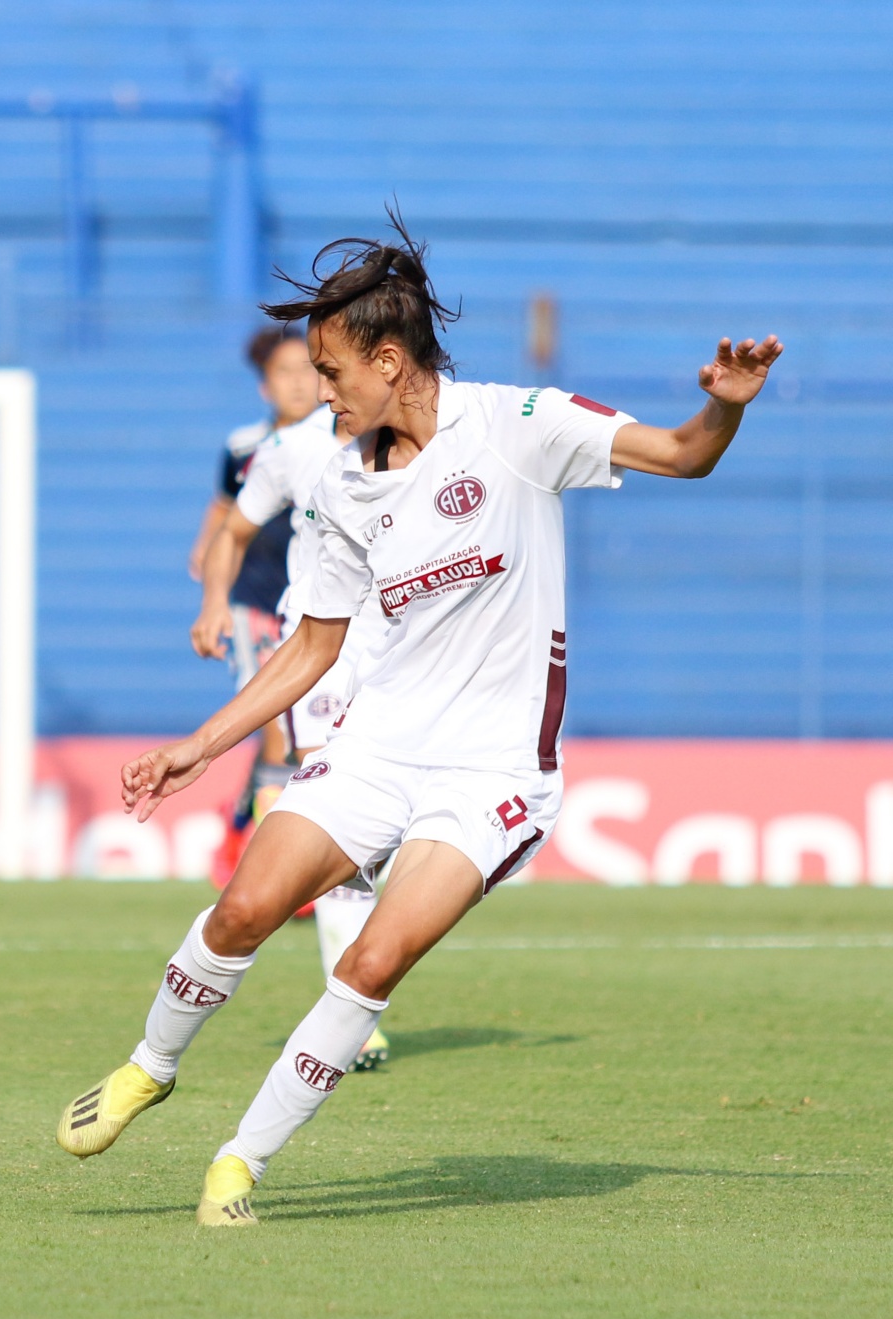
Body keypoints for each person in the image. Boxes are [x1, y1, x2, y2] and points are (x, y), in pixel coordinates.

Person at [56, 215, 781, 1226]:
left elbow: (677, 452)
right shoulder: (343, 486)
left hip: (489, 777)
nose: (320, 390)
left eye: (330, 370)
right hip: (377, 747)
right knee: (241, 909)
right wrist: (196, 745)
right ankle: (149, 1066)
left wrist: (722, 413)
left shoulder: (517, 422)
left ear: (387, 360)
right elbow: (309, 649)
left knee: (369, 961)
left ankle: (239, 1163)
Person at [192, 401, 392, 1071]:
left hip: (408, 643)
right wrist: (216, 601)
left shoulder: (422, 434)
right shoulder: (289, 449)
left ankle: (265, 824)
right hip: (321, 642)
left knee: (385, 825)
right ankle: (352, 1014)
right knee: (343, 817)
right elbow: (235, 527)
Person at [190, 327, 320, 883]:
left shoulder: (345, 443)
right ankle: (277, 873)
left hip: (315, 609)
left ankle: (240, 824)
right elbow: (223, 516)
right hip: (256, 602)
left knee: (303, 737)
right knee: (276, 725)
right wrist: (211, 595)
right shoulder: (246, 447)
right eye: (284, 373)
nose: (299, 382)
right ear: (265, 387)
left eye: (308, 370)